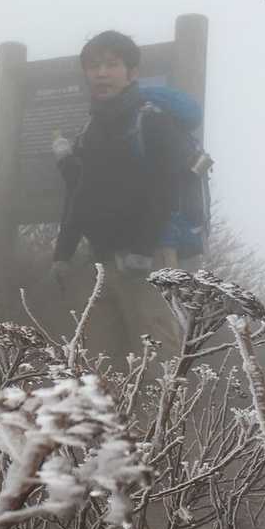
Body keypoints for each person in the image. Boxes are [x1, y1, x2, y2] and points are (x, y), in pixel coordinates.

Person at [49, 30, 196, 359]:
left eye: (112, 64)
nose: (101, 73)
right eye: (93, 66)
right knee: (101, 365)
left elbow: (165, 188)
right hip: (102, 260)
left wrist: (142, 251)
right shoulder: (91, 128)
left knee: (157, 361)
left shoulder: (151, 120)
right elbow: (81, 192)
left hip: (149, 258)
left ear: (132, 72)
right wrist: (63, 253)